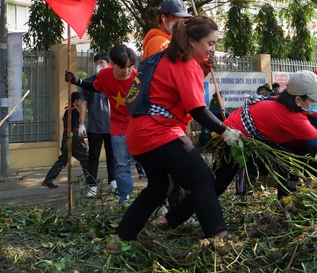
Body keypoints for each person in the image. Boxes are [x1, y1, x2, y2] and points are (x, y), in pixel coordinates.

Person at [155, 70, 317, 231]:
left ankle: (285, 215)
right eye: (315, 99)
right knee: (215, 186)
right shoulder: (290, 117)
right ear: (299, 99)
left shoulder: (300, 105)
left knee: (287, 169)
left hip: (260, 138)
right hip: (234, 140)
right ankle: (170, 219)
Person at [111, 15, 242, 245]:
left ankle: (120, 239)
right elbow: (198, 110)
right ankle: (219, 236)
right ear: (192, 40)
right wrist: (225, 131)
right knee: (201, 177)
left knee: (159, 188)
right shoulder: (186, 63)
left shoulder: (166, 58)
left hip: (138, 135)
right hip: (160, 132)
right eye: (210, 43)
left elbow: (173, 93)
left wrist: (201, 70)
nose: (213, 49)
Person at [66, 45, 137, 204]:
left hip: (138, 125)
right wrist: (77, 81)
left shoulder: (137, 76)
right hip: (117, 126)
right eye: (122, 66)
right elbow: (94, 87)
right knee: (120, 164)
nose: (126, 70)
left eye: (129, 66)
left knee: (148, 163)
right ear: (113, 64)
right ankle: (124, 200)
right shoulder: (104, 76)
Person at [78, 53, 116, 198]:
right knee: (93, 156)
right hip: (94, 127)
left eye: (102, 63)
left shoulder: (114, 80)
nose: (99, 65)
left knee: (112, 155)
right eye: (96, 63)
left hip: (112, 126)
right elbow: (83, 103)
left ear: (109, 64)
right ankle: (92, 185)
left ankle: (113, 181)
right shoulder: (89, 82)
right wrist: (81, 124)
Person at [42, 92, 96, 189]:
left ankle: (48, 180)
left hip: (66, 138)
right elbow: (74, 127)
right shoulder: (74, 112)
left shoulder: (68, 111)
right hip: (73, 138)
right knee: (85, 158)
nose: (81, 102)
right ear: (76, 100)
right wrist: (77, 137)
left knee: (63, 160)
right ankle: (90, 180)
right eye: (80, 100)